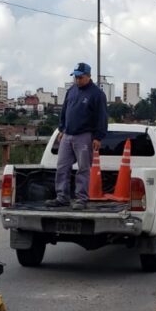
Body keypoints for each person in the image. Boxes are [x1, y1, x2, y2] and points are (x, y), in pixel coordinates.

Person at [46, 62, 108, 211]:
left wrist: (98, 137)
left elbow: (102, 117)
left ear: (88, 76)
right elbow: (65, 110)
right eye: (76, 77)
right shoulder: (72, 91)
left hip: (84, 135)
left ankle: (81, 198)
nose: (77, 80)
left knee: (83, 169)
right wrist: (61, 128)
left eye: (80, 77)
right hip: (67, 134)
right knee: (62, 166)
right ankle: (62, 197)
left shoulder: (97, 94)